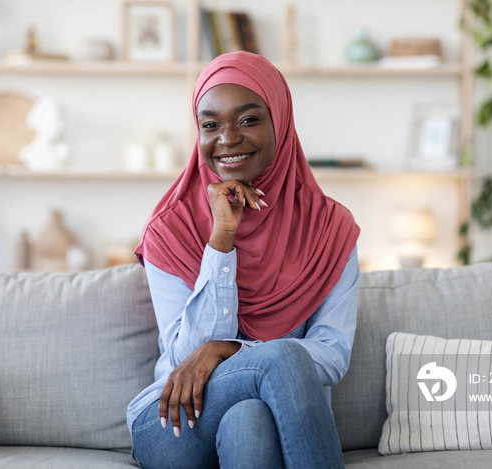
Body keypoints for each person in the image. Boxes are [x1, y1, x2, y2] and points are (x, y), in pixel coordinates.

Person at [128, 51, 361, 469]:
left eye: (249, 119)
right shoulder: (170, 228)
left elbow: (332, 355)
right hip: (177, 421)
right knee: (286, 356)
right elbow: (187, 360)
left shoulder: (329, 226)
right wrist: (222, 240)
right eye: (210, 124)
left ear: (281, 124)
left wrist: (228, 349)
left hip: (272, 419)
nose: (228, 138)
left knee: (249, 419)